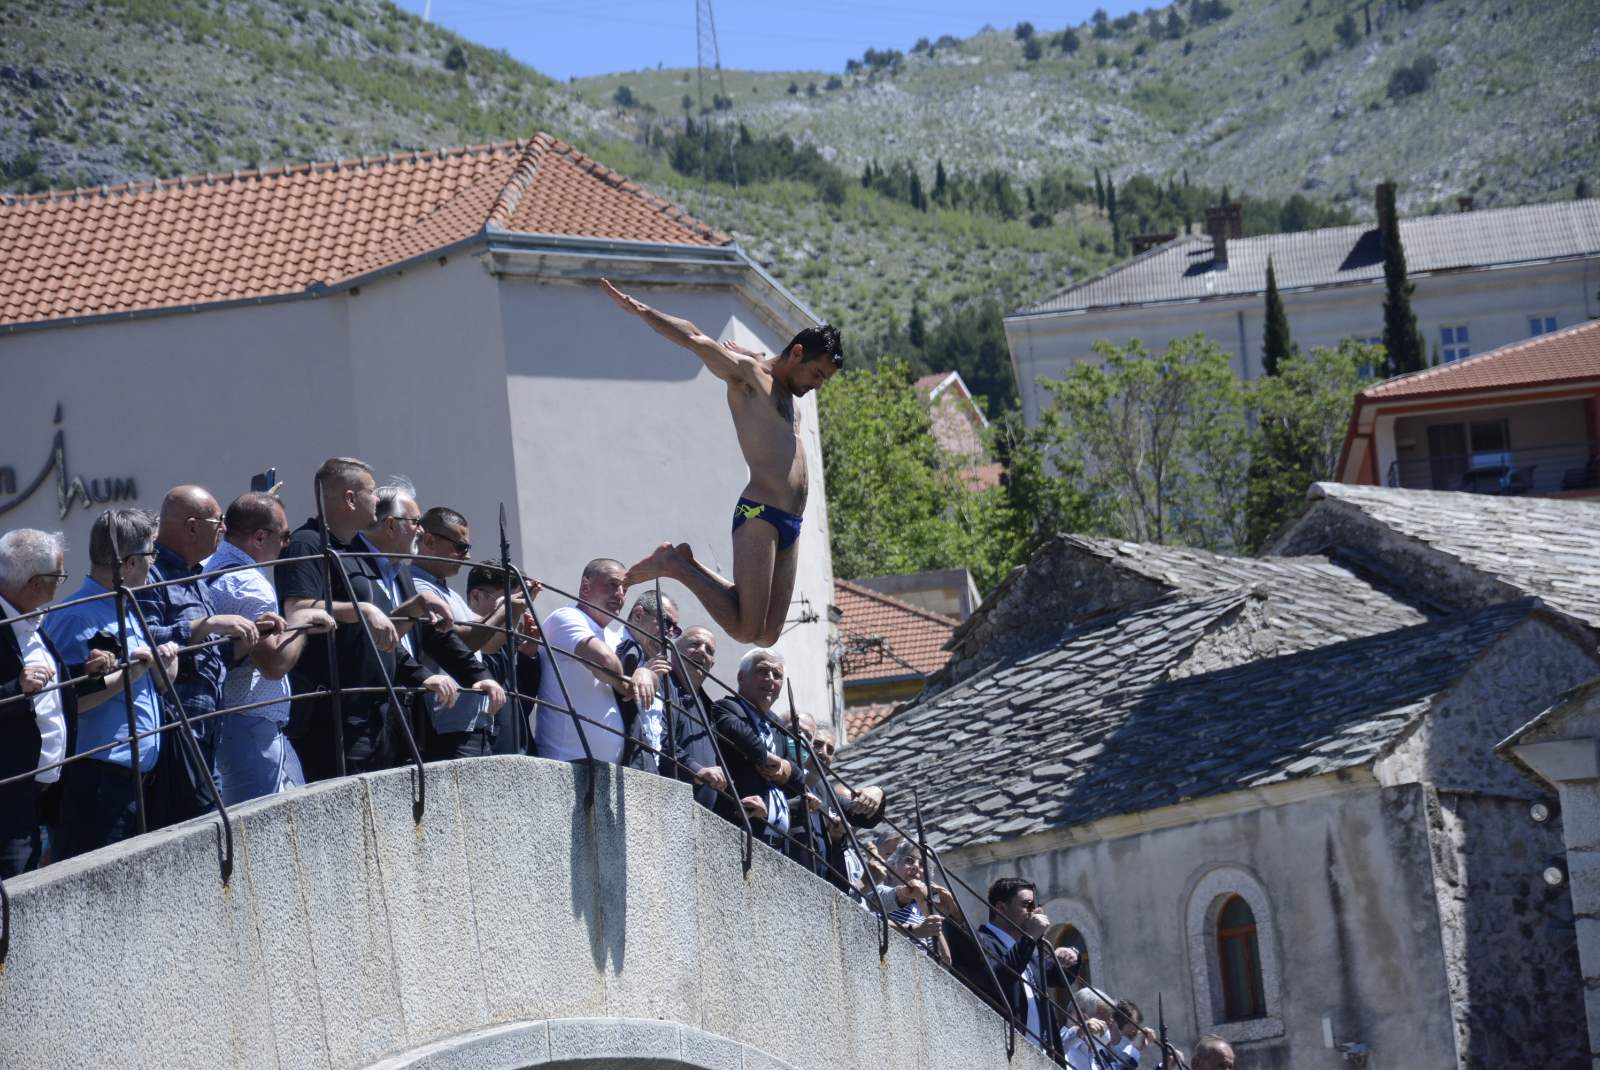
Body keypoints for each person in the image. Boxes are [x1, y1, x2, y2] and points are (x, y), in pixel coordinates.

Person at [601, 279, 843, 645]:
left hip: (791, 520)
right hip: (759, 513)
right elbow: (694, 338)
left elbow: (764, 357)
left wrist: (753, 352)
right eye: (817, 374)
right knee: (746, 629)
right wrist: (643, 311)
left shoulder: (782, 385)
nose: (818, 385)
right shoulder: (748, 376)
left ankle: (685, 562)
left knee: (767, 636)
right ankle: (675, 566)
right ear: (797, 353)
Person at [276, 458, 459, 781]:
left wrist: (420, 675)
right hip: (335, 717)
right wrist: (364, 610)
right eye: (371, 491)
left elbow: (377, 634)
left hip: (375, 713)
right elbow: (298, 608)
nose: (377, 499)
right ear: (350, 498)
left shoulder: (350, 551)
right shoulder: (307, 543)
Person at [43, 509, 179, 859]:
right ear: (130, 563)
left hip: (135, 781)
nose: (154, 562)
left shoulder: (124, 605)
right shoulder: (75, 615)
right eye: (151, 553)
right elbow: (65, 702)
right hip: (97, 783)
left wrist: (164, 673)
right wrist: (129, 675)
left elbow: (140, 687)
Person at [137, 485, 265, 822]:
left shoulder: (195, 575)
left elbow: (213, 655)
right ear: (192, 527)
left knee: (208, 826)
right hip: (176, 734)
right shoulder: (150, 575)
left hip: (206, 731)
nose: (224, 528)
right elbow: (144, 639)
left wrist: (251, 635)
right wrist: (206, 625)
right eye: (218, 521)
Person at [0, 529, 122, 875]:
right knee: (15, 887)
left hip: (42, 791)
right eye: (59, 576)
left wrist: (84, 672)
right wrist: (14, 688)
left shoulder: (29, 617)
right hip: (9, 794)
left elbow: (46, 683)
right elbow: (23, 686)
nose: (61, 583)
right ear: (35, 583)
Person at [204, 494, 335, 804]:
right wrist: (300, 621)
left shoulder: (211, 565)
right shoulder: (248, 583)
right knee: (266, 818)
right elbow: (274, 664)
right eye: (285, 535)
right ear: (260, 537)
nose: (287, 544)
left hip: (234, 720)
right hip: (251, 723)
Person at [367, 488, 504, 761]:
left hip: (459, 717)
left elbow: (482, 644)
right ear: (430, 540)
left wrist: (483, 676)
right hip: (441, 720)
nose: (467, 556)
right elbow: (463, 639)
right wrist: (505, 610)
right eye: (461, 547)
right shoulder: (416, 583)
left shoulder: (431, 587)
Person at [533, 558, 637, 764]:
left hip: (605, 769)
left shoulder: (612, 636)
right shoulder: (566, 617)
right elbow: (604, 660)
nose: (620, 594)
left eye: (625, 589)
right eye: (613, 584)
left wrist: (644, 673)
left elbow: (644, 672)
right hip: (566, 762)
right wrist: (623, 684)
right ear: (585, 586)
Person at [708, 648, 806, 847]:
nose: (770, 679)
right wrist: (767, 758)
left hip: (777, 839)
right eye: (762, 671)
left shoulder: (778, 725)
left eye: (777, 675)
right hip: (737, 827)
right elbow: (739, 734)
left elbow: (799, 777)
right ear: (741, 677)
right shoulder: (725, 707)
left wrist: (785, 768)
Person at [975, 876, 1081, 1057]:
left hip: (1040, 1056)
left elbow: (1057, 977)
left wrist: (1072, 955)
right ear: (1001, 908)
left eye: (1035, 906)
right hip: (1007, 1054)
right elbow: (998, 979)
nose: (1034, 912)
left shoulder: (1026, 950)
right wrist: (1030, 937)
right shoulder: (982, 941)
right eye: (1026, 905)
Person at [463, 563, 542, 755]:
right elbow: (489, 672)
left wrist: (526, 655)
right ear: (476, 596)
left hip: (519, 752)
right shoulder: (463, 633)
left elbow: (523, 705)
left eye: (522, 603)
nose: (519, 610)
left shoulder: (510, 641)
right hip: (487, 751)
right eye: (512, 602)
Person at [665, 624, 730, 808]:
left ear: (711, 665)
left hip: (703, 814)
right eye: (695, 644)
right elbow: (657, 739)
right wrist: (695, 769)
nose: (702, 651)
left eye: (709, 650)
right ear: (674, 651)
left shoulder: (709, 706)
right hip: (668, 804)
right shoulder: (662, 685)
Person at [615, 591, 678, 774]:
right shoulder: (610, 643)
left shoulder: (660, 668)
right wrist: (642, 671)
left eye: (675, 629)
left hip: (648, 772)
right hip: (616, 768)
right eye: (666, 622)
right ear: (638, 615)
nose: (670, 633)